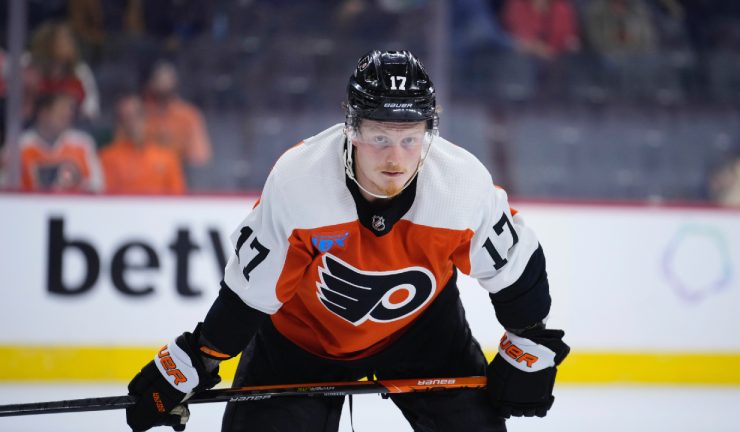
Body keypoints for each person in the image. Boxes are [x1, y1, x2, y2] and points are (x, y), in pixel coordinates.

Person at [125, 50, 569, 432]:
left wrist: (528, 339)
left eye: (410, 139)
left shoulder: (461, 185)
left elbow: (517, 269)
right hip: (300, 341)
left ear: (429, 134)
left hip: (424, 333)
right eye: (379, 137)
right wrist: (196, 359)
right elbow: (248, 297)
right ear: (352, 130)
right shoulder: (299, 183)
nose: (395, 157)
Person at [100, 94, 186, 194]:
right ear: (119, 124)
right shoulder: (108, 157)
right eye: (126, 118)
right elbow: (107, 198)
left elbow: (178, 198)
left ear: (145, 117)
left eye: (137, 115)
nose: (133, 123)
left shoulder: (167, 157)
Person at [17, 92, 103, 192]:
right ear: (44, 113)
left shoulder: (82, 144)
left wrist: (78, 181)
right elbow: (9, 188)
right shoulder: (20, 146)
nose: (67, 114)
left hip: (74, 205)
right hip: (31, 205)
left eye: (70, 110)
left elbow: (97, 186)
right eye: (61, 110)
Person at [143, 60, 212, 168]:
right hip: (144, 176)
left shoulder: (188, 115)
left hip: (180, 175)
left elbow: (199, 156)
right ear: (150, 83)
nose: (163, 84)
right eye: (159, 79)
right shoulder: (139, 115)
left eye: (167, 80)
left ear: (175, 83)